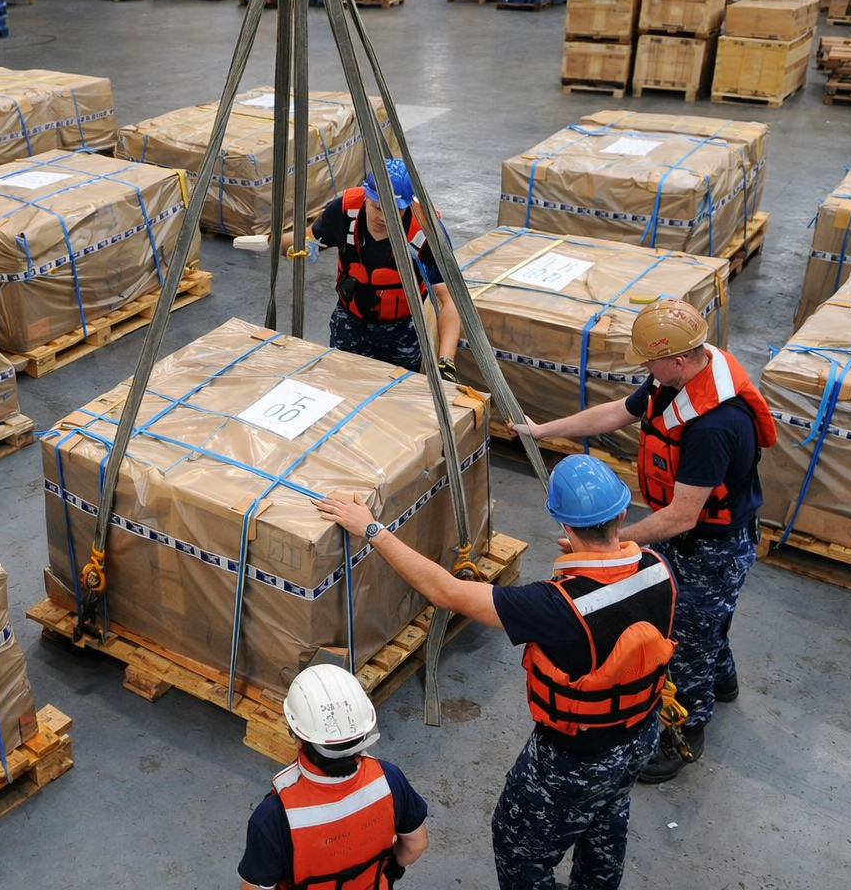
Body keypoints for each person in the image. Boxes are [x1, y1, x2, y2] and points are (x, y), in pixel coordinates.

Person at [313, 455, 676, 890]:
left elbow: (445, 591)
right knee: (606, 822)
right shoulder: (659, 569)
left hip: (574, 760)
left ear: (564, 524)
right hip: (640, 737)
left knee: (518, 846)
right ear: (622, 514)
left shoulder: (554, 607)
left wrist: (371, 529)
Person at [512, 297, 776, 784]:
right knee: (702, 621)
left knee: (689, 635)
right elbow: (618, 412)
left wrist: (609, 545)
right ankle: (724, 678)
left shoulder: (713, 425)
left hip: (712, 549)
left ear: (679, 358)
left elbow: (681, 516)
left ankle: (687, 729)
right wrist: (543, 430)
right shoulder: (676, 377)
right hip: (688, 535)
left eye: (649, 361)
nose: (643, 370)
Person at [233, 158, 461, 378]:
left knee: (398, 391)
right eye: (377, 207)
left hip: (401, 329)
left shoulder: (426, 234)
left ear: (407, 206)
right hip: (350, 320)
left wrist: (446, 361)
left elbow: (447, 299)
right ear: (366, 197)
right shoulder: (344, 213)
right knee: (340, 380)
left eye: (394, 212)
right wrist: (275, 242)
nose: (383, 218)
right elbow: (307, 237)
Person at [238, 664, 429, 890]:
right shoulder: (390, 779)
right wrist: (388, 871)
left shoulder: (273, 816)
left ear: (298, 739)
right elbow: (416, 844)